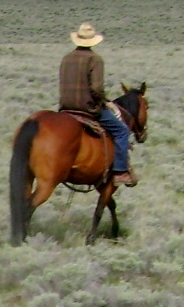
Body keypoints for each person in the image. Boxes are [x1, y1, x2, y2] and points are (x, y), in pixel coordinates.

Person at [59, 22, 137, 187]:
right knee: (121, 130)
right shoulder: (95, 59)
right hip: (88, 109)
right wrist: (103, 101)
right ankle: (121, 171)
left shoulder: (67, 58)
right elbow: (96, 89)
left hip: (66, 108)